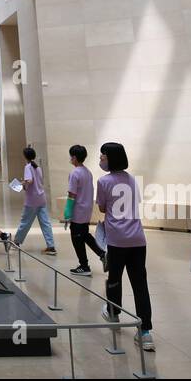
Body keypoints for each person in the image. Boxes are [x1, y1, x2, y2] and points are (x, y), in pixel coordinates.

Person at [96, 141, 154, 352]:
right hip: (138, 240)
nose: (100, 161)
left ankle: (113, 312)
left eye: (102, 157)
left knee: (114, 278)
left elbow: (102, 207)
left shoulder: (104, 181)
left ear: (110, 159)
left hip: (117, 239)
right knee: (140, 285)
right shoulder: (132, 180)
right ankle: (145, 332)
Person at [64, 145, 107, 275]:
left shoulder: (75, 173)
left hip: (78, 211)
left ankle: (84, 266)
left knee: (76, 238)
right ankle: (102, 254)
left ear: (75, 157)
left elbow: (72, 195)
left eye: (71, 156)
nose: (70, 158)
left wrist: (67, 213)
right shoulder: (87, 172)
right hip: (86, 210)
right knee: (85, 235)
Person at [12, 146, 56, 254]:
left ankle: (16, 242)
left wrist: (22, 185)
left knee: (25, 222)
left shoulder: (28, 167)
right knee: (45, 223)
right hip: (41, 199)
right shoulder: (38, 168)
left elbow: (29, 180)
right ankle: (51, 246)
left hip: (32, 200)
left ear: (25, 157)